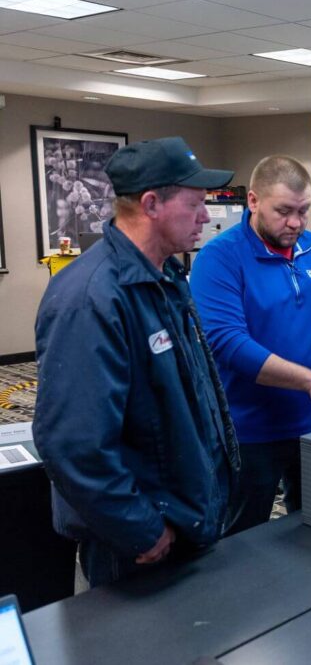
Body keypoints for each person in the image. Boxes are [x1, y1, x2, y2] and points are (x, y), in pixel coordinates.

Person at [33, 136, 240, 587]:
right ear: (151, 204)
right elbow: (74, 444)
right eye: (195, 204)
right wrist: (140, 529)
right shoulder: (91, 298)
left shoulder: (166, 277)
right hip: (136, 547)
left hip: (184, 523)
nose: (207, 216)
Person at [191, 155, 311, 535]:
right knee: (241, 543)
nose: (296, 223)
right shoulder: (219, 258)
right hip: (249, 432)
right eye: (284, 211)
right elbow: (228, 343)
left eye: (304, 211)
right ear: (253, 201)